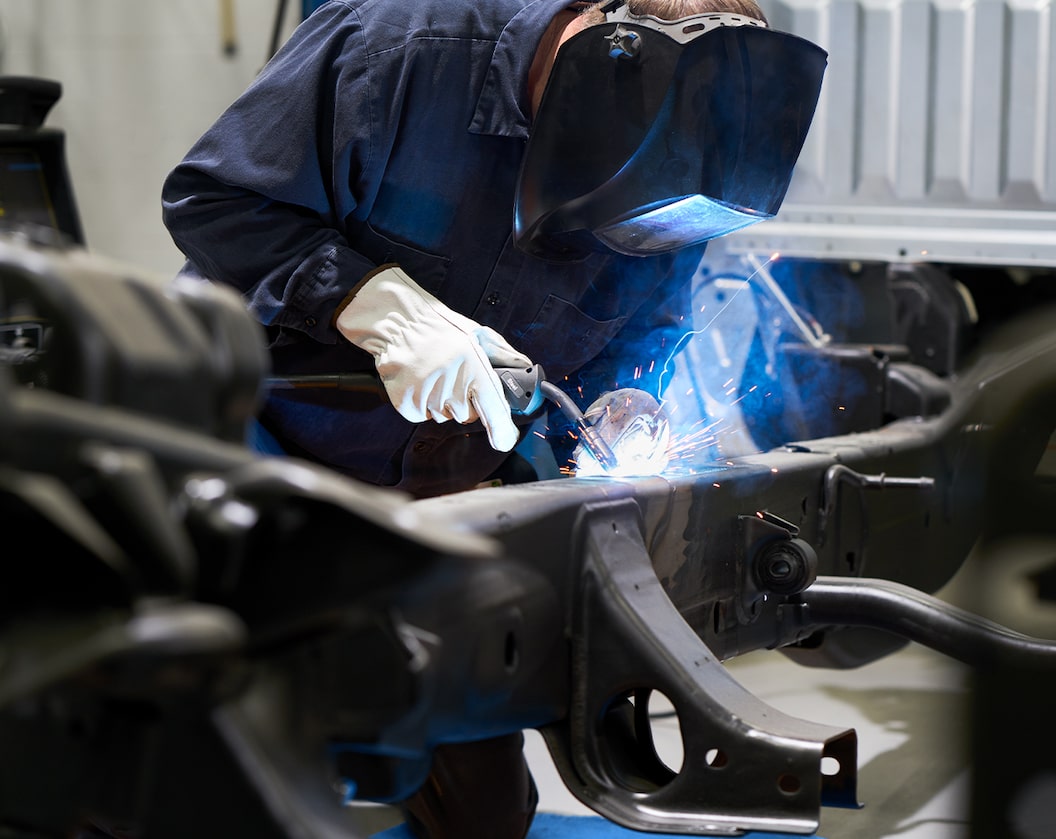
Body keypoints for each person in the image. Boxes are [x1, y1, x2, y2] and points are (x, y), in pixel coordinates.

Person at [161, 0, 823, 836]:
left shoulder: (693, 156)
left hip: (436, 503)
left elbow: (649, 322)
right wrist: (371, 301)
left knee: (483, 816)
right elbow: (212, 199)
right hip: (251, 453)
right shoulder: (402, 48)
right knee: (199, 767)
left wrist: (630, 403)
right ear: (595, 57)